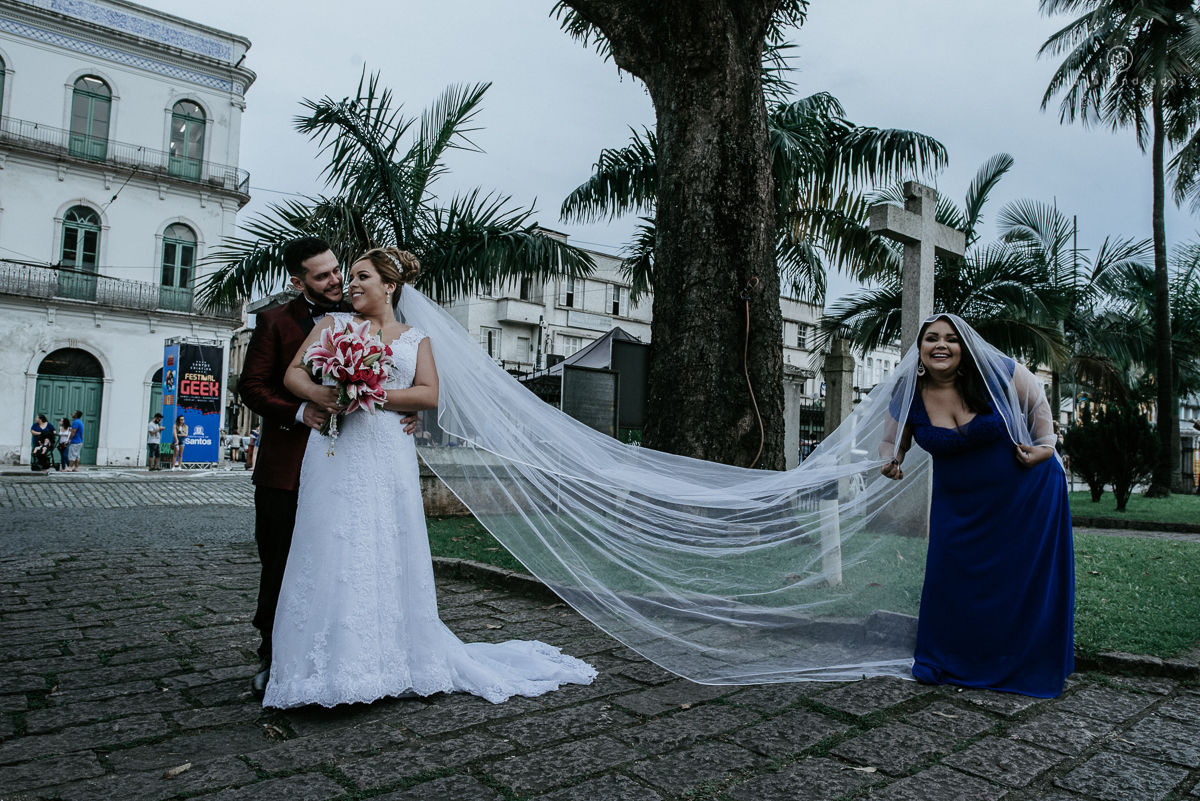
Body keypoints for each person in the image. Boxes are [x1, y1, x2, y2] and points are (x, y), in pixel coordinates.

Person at [263, 247, 594, 708]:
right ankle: (319, 670)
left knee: (385, 545)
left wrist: (371, 392)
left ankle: (388, 661)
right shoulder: (332, 327)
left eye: (362, 277)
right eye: (350, 277)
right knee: (329, 543)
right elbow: (293, 374)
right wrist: (327, 391)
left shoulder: (414, 337)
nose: (351, 285)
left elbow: (429, 393)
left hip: (385, 450)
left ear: (390, 285)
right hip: (336, 451)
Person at [880, 314, 1073, 698]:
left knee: (1017, 581)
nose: (941, 345)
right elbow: (892, 441)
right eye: (931, 338)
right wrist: (891, 460)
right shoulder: (908, 391)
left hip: (1026, 494)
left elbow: (1036, 399)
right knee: (949, 580)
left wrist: (1046, 447)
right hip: (960, 507)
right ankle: (951, 658)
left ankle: (1018, 659)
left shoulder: (994, 373)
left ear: (964, 348)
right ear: (919, 350)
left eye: (951, 339)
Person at [239, 237, 364, 698]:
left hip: (350, 467)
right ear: (297, 281)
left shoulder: (370, 314)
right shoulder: (273, 322)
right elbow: (251, 387)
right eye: (322, 275)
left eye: (337, 270)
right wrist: (298, 411)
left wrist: (407, 410)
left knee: (342, 565)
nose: (336, 280)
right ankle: (273, 656)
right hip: (285, 470)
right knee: (280, 565)